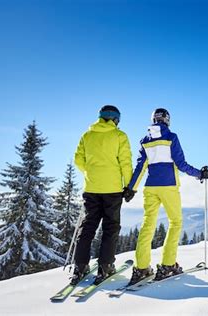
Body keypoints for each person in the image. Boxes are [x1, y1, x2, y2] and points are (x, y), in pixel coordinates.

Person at [123, 108, 208, 285]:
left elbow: (140, 167)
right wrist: (199, 174)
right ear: (167, 120)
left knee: (148, 225)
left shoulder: (146, 141)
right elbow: (181, 164)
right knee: (175, 222)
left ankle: (141, 268)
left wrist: (131, 188)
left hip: (150, 188)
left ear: (153, 120)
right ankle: (168, 265)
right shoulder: (171, 137)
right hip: (168, 187)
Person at [72, 105, 133, 285]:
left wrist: (91, 172)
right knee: (110, 227)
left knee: (88, 226)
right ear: (115, 119)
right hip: (112, 189)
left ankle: (80, 266)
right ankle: (105, 266)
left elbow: (78, 160)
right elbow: (125, 162)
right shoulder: (119, 136)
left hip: (91, 188)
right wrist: (128, 186)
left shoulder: (87, 135)